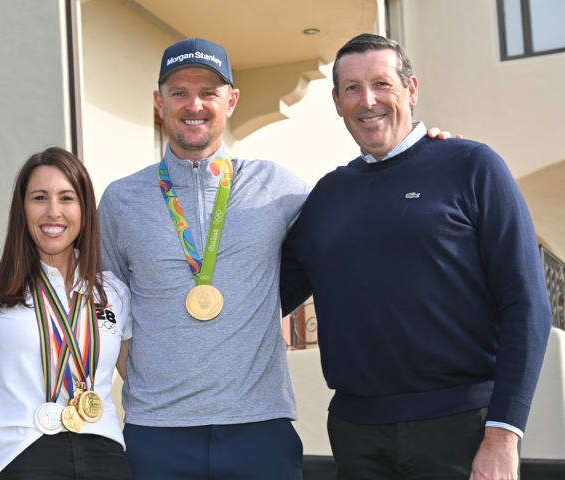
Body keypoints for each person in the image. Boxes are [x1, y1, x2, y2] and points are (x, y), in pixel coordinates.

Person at [281, 33, 552, 480]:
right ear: (336, 101)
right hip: (356, 434)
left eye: (382, 84)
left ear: (411, 90)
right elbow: (265, 291)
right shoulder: (326, 196)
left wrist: (504, 435)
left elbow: (526, 305)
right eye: (352, 89)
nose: (367, 101)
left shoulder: (472, 165)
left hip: (463, 430)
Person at [97, 37, 310, 479]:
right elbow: (105, 308)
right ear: (159, 102)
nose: (194, 105)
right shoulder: (120, 199)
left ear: (231, 101)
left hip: (259, 426)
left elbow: (351, 229)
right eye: (179, 92)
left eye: (208, 92)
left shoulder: (277, 186)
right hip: (157, 431)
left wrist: (428, 158)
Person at [0, 147, 133, 479]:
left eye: (67, 198)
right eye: (39, 198)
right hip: (24, 457)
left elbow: (140, 381)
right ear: (22, 209)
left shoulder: (112, 291)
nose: (53, 212)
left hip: (105, 457)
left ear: (84, 210)